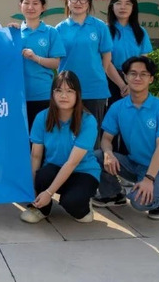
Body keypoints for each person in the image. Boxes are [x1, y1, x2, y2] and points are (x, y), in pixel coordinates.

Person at [93, 56, 159, 220]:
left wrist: (149, 179)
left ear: (151, 79)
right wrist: (108, 154)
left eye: (143, 74)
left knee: (139, 203)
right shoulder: (117, 107)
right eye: (133, 73)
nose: (137, 78)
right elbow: (106, 139)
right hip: (134, 164)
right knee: (97, 156)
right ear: (125, 77)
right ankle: (113, 194)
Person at [20, 71, 100, 224]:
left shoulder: (88, 121)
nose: (64, 96)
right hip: (54, 168)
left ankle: (83, 204)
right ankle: (41, 208)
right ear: (52, 94)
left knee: (73, 204)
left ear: (78, 94)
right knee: (41, 176)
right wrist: (33, 189)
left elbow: (72, 162)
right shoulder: (42, 117)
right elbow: (36, 156)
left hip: (83, 172)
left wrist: (49, 192)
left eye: (70, 91)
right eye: (59, 90)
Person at [55, 0, 113, 141]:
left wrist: (98, 73)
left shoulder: (99, 26)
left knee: (92, 136)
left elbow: (107, 56)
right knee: (68, 135)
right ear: (67, 2)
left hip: (94, 89)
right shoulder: (59, 29)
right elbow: (55, 59)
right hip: (67, 90)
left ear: (89, 2)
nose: (78, 3)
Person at [105, 0, 153, 151]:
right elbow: (106, 62)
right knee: (112, 123)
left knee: (132, 123)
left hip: (135, 79)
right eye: (118, 3)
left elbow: (143, 61)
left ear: (133, 7)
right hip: (112, 80)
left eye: (127, 3)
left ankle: (130, 160)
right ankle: (110, 159)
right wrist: (122, 85)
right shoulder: (106, 30)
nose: (123, 7)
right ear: (112, 6)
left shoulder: (140, 32)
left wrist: (133, 82)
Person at [17, 0, 65, 130]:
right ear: (20, 6)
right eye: (26, 3)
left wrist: (35, 57)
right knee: (21, 137)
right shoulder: (14, 33)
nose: (30, 7)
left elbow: (56, 63)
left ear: (43, 7)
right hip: (18, 96)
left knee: (41, 136)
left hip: (42, 95)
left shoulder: (51, 32)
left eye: (35, 3)